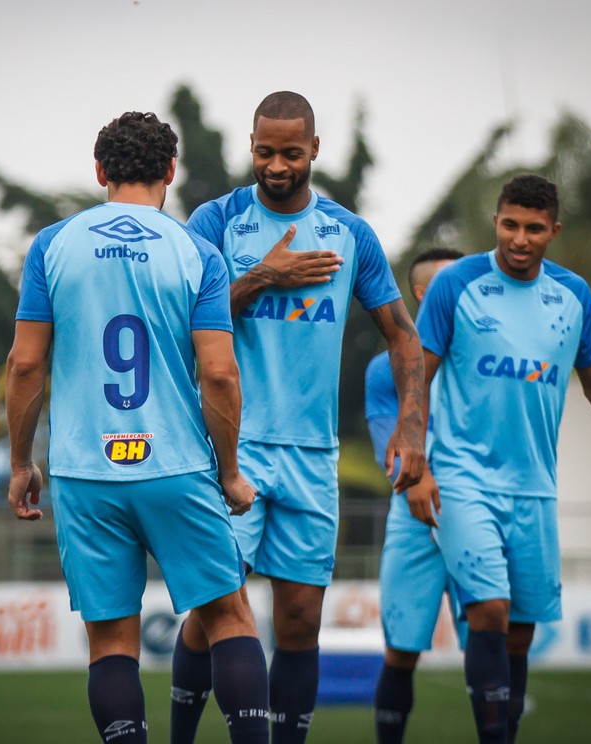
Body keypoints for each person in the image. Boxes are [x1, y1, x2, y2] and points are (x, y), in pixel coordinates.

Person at [5, 111, 270, 744]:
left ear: (99, 171)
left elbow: (24, 365)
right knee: (230, 618)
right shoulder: (196, 253)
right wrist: (228, 470)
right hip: (174, 467)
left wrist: (21, 464)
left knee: (112, 640)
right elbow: (220, 374)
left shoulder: (52, 245)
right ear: (171, 173)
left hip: (85, 472)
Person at [170, 91, 426, 744]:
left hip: (313, 453)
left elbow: (402, 336)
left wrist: (409, 429)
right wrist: (261, 277)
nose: (276, 165)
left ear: (314, 149)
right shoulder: (215, 222)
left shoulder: (349, 233)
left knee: (299, 620)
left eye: (290, 152)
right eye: (264, 151)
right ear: (249, 146)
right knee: (213, 609)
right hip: (235, 446)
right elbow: (180, 324)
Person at [411, 174, 591, 744]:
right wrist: (415, 462)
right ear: (496, 222)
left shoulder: (573, 295)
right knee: (488, 610)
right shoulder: (456, 285)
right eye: (510, 224)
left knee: (520, 632)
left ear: (553, 231)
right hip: (463, 478)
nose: (520, 238)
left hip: (535, 486)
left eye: (534, 229)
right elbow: (417, 375)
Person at [367, 247, 467, 744]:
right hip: (413, 514)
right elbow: (393, 453)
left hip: (476, 508)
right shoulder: (384, 370)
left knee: (494, 638)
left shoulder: (479, 359)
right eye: (457, 280)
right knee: (400, 648)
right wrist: (418, 477)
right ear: (428, 293)